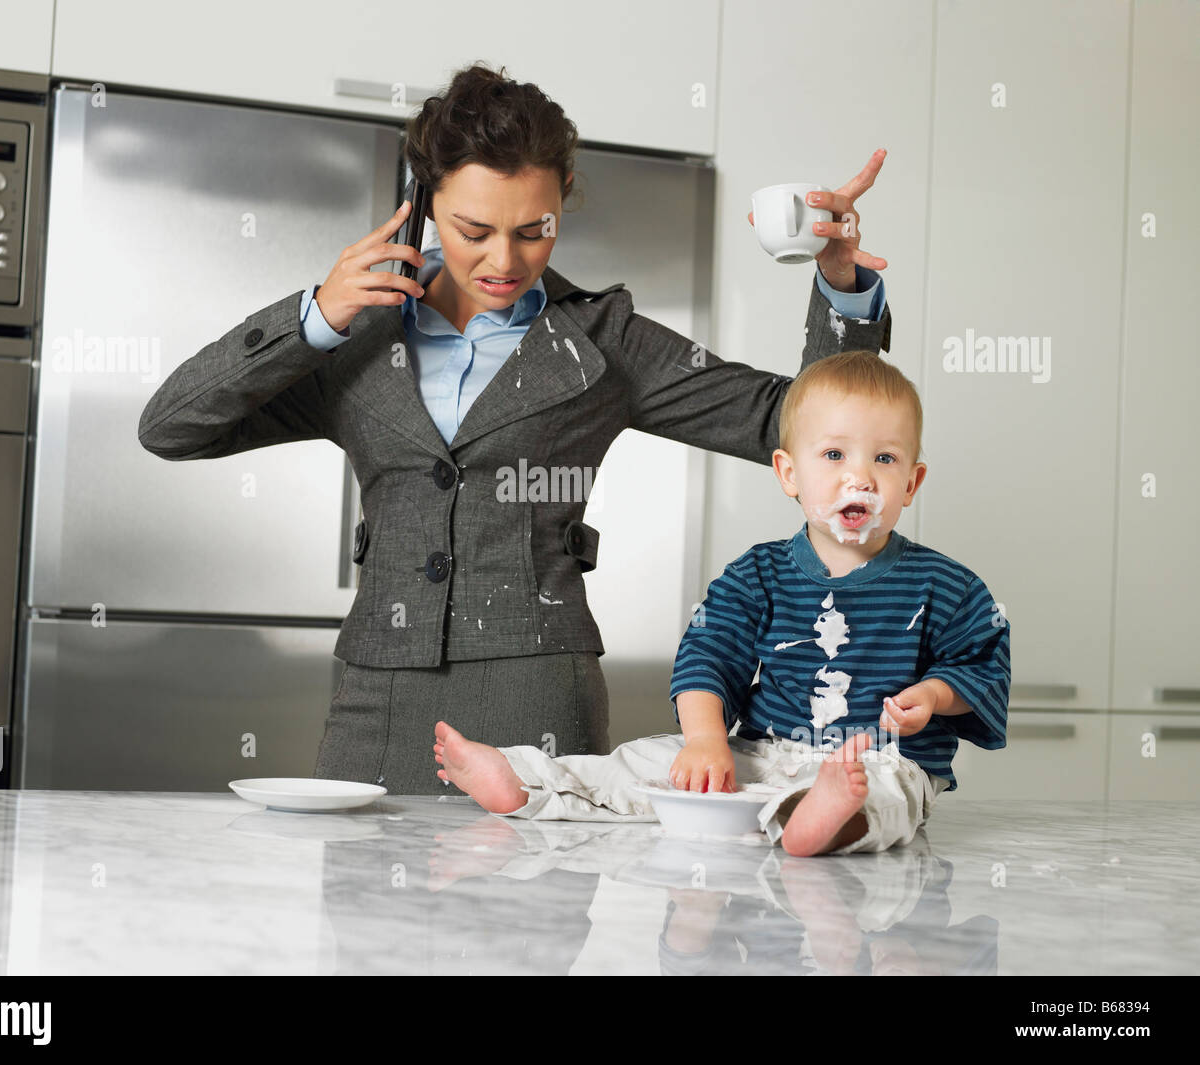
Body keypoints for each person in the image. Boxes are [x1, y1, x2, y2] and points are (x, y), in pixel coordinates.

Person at [138, 62, 894, 793]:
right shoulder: (354, 337)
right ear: (425, 200)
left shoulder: (604, 340)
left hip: (539, 702)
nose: (505, 260)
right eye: (474, 230)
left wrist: (839, 284)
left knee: (532, 914)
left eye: (536, 229)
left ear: (563, 198)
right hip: (376, 703)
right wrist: (312, 318)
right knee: (368, 920)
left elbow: (798, 421)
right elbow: (172, 426)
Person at [433, 351, 1011, 854]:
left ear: (912, 481)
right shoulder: (757, 574)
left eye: (884, 460)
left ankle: (824, 817)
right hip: (761, 753)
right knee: (644, 762)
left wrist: (935, 695)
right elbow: (709, 656)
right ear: (789, 473)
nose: (858, 477)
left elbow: (981, 666)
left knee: (891, 798)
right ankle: (524, 779)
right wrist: (708, 741)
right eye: (834, 455)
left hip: (880, 757)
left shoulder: (946, 585)